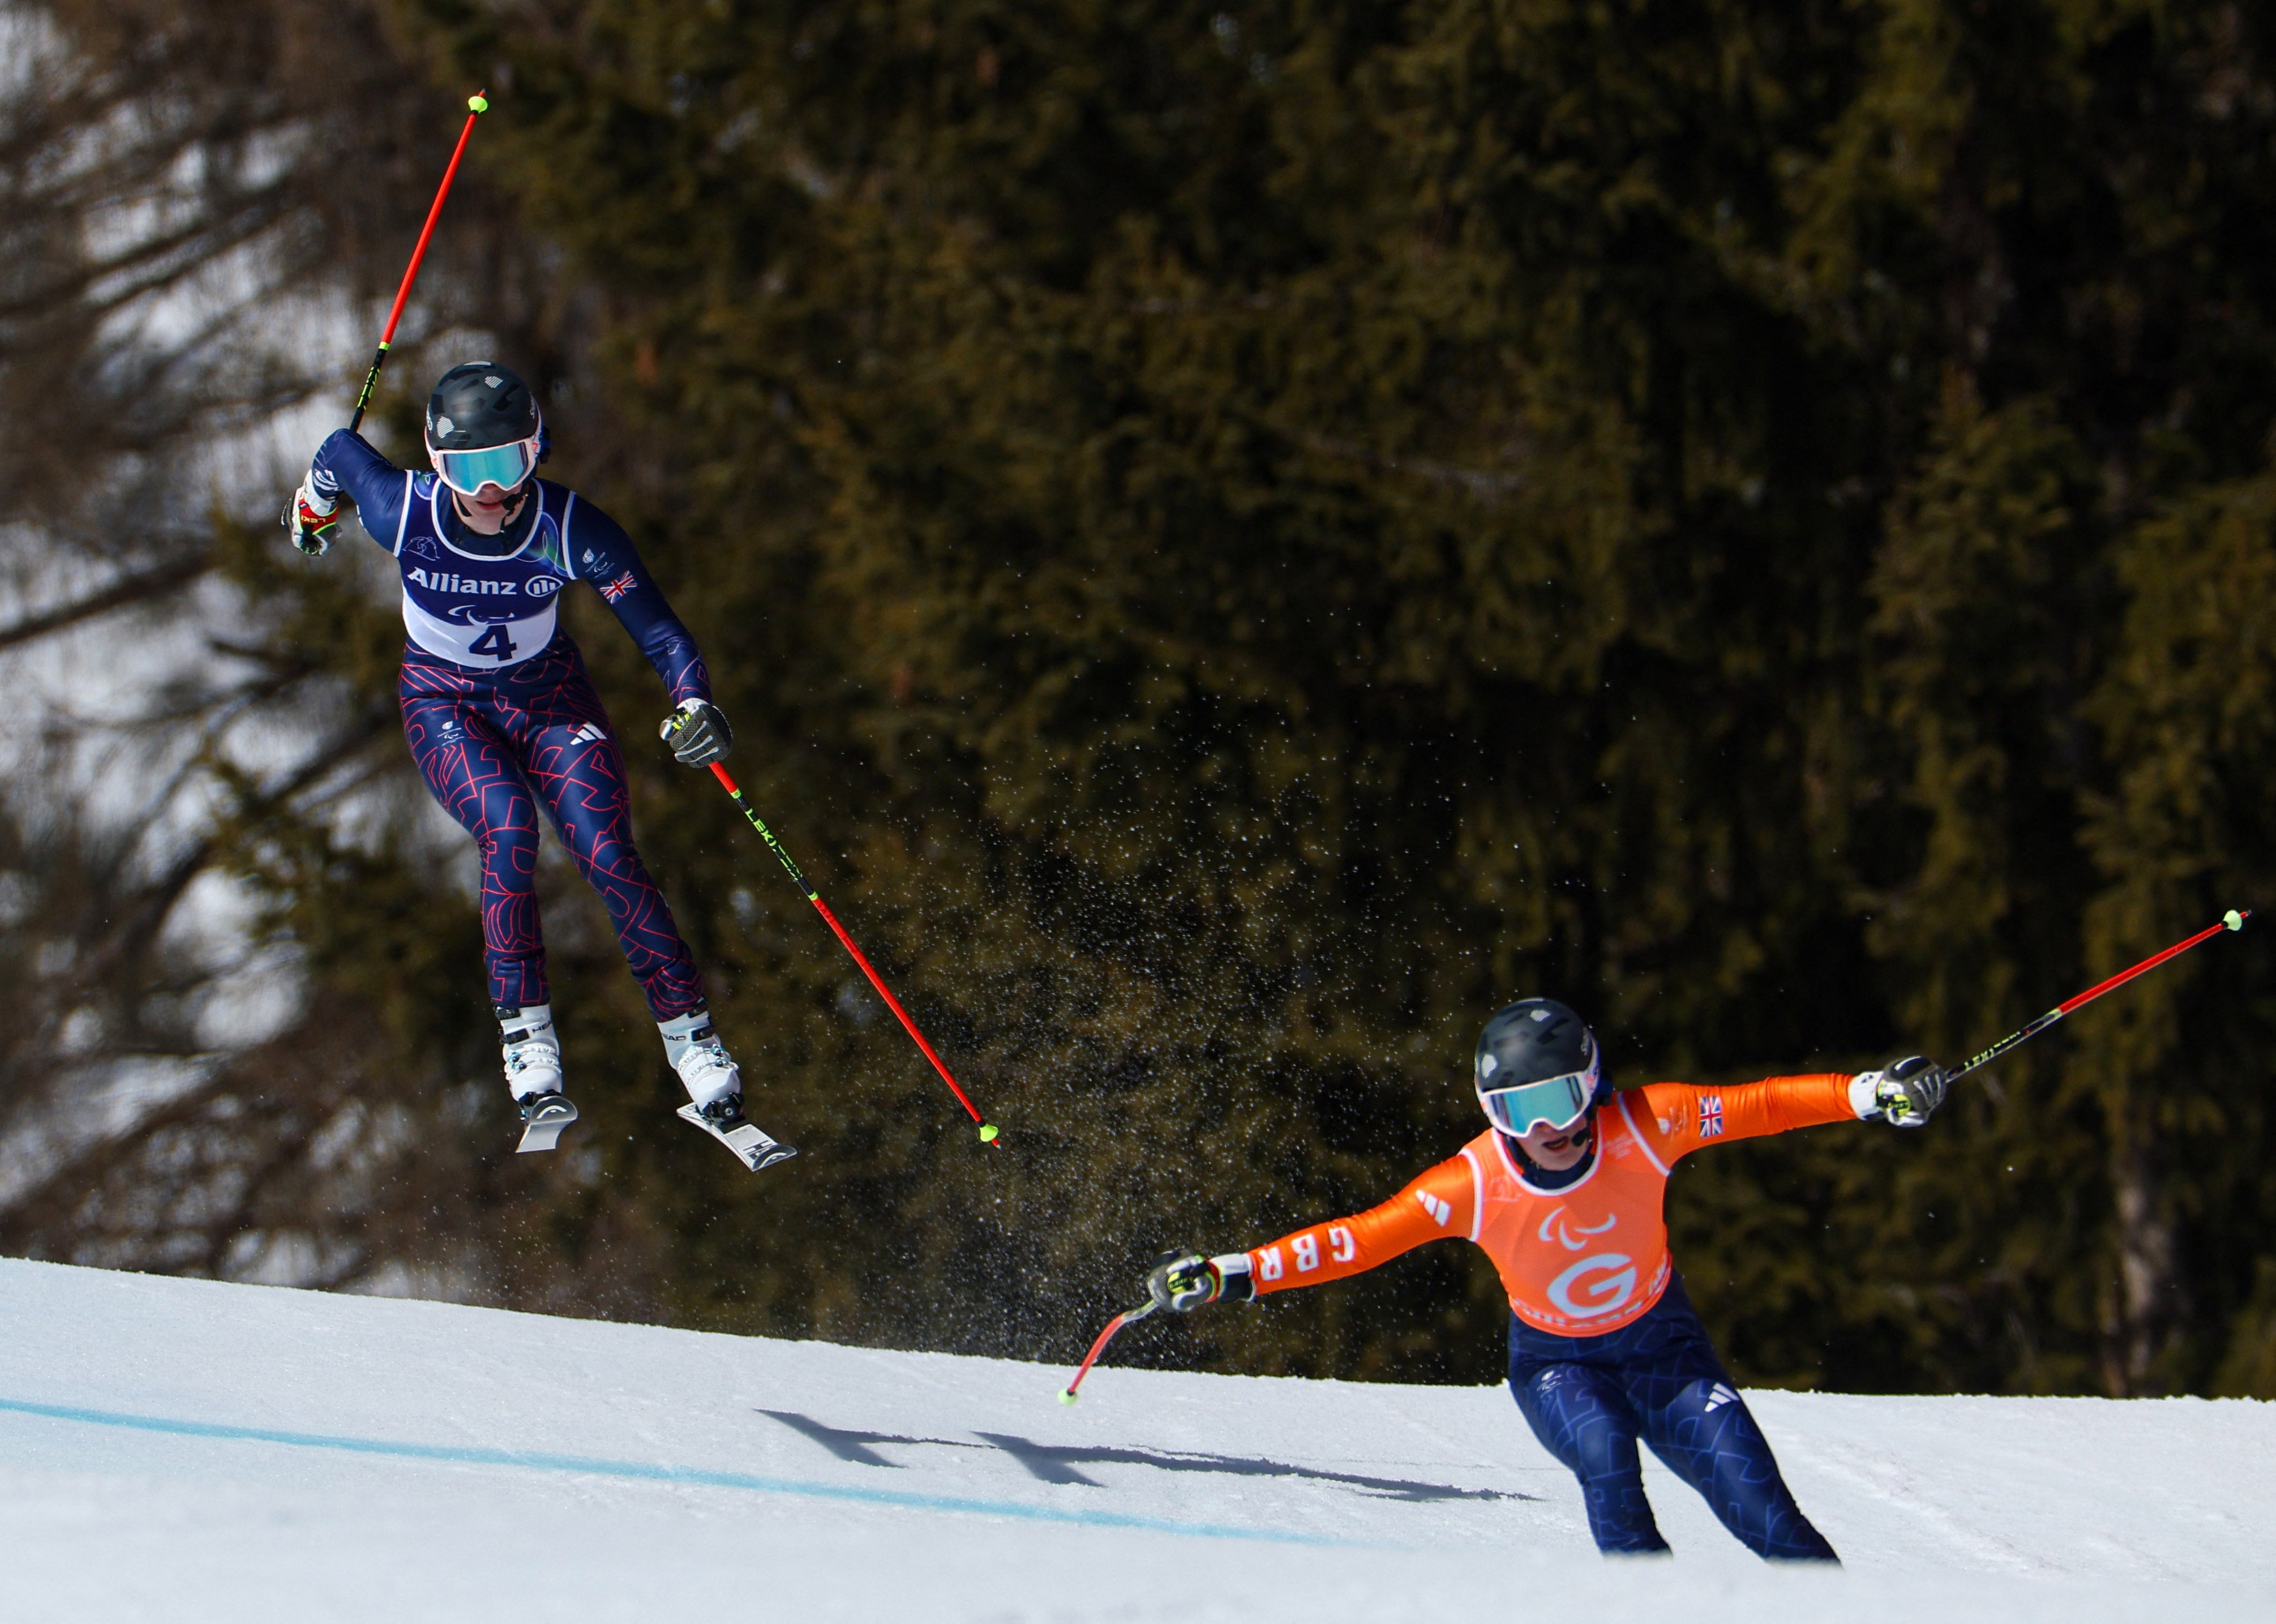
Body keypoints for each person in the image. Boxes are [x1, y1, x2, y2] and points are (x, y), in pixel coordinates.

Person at [1142, 997, 1950, 1560]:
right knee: (1608, 1469)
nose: (1546, 1131)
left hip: (1666, 1348)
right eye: (1517, 1112)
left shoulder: (1650, 1123)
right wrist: (1232, 1273)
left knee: (1764, 1511)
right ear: (1491, 1115)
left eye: (1560, 1100)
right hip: (1559, 1367)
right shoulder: (1474, 1183)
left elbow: (1762, 1104)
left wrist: (1869, 1093)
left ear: (1592, 1083)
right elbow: (1360, 1240)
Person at [283, 361, 790, 1169]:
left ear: (537, 451)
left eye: (506, 465)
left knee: (607, 850)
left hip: (552, 698)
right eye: (465, 469)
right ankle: (528, 1042)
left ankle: (693, 1042)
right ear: (435, 463)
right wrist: (312, 505)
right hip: (446, 704)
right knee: (510, 833)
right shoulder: (401, 513)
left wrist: (695, 702)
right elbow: (341, 449)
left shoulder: (569, 527)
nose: (488, 491)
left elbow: (659, 631)